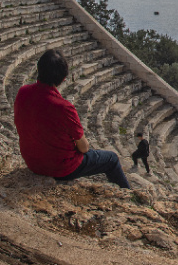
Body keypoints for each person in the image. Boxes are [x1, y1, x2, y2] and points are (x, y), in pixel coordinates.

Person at [13, 49, 130, 188]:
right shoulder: (64, 108)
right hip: (61, 169)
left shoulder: (23, 92)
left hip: (32, 162)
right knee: (112, 159)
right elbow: (84, 147)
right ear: (63, 79)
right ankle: (128, 194)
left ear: (39, 69)